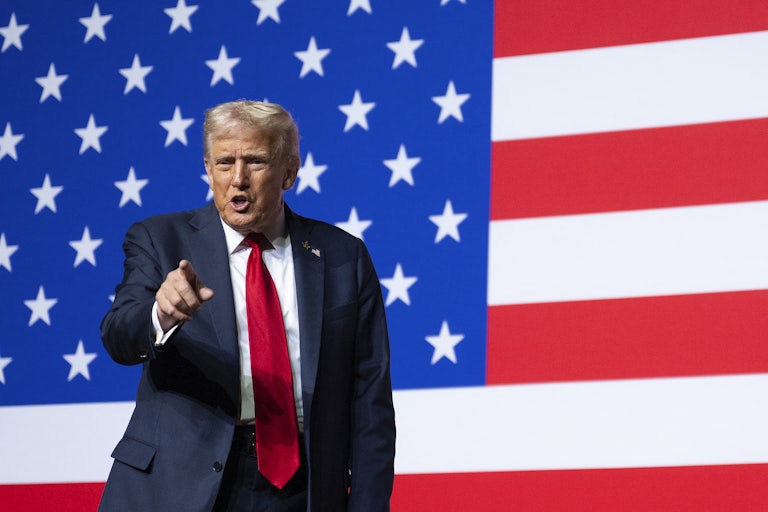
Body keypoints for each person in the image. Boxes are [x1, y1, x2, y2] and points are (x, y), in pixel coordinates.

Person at [98, 100, 396, 512]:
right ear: (207, 168)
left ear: (289, 171)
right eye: (223, 162)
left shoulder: (343, 257)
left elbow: (369, 401)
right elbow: (118, 334)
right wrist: (159, 315)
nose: (237, 179)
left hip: (300, 488)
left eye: (254, 161)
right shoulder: (159, 239)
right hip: (177, 486)